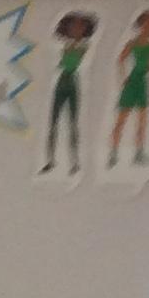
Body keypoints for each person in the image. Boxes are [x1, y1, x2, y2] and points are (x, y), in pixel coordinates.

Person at [108, 8, 149, 169]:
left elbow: (148, 65)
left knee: (142, 122)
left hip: (143, 82)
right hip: (132, 81)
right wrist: (123, 78)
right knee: (121, 120)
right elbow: (120, 59)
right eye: (146, 23)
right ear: (141, 24)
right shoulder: (132, 43)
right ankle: (113, 154)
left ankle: (139, 154)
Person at [40, 11, 97, 177]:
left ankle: (74, 162)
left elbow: (70, 62)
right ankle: (50, 160)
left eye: (80, 27)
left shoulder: (83, 46)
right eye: (73, 26)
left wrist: (68, 49)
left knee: (72, 123)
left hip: (72, 82)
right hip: (62, 82)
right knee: (53, 122)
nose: (77, 30)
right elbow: (61, 62)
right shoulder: (64, 45)